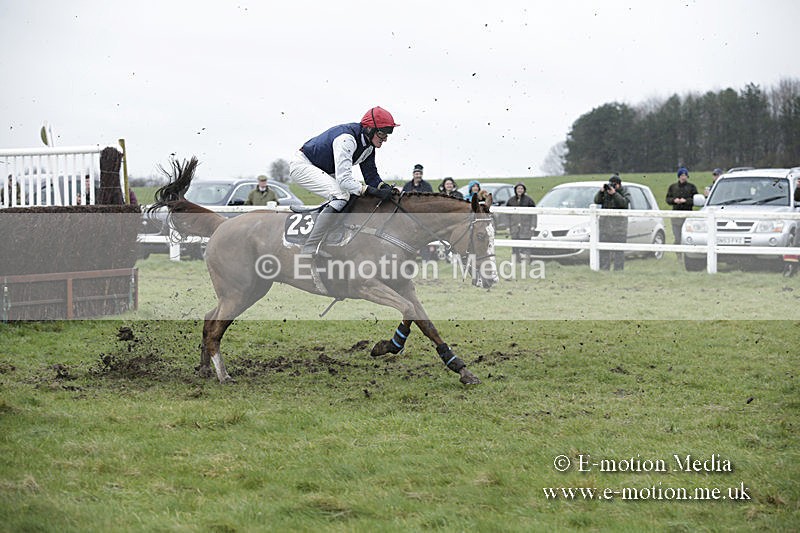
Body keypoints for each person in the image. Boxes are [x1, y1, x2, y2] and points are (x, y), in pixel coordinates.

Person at [290, 106, 397, 256]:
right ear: (369, 129)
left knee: (351, 195)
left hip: (324, 170)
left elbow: (371, 176)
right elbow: (344, 180)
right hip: (303, 166)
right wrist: (372, 191)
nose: (385, 139)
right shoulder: (347, 139)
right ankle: (310, 246)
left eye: (388, 134)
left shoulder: (369, 147)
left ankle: (330, 236)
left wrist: (384, 188)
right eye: (381, 133)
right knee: (342, 195)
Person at [593, 175, 631, 271]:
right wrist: (601, 192)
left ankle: (618, 271)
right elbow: (597, 201)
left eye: (614, 184)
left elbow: (624, 203)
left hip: (619, 228)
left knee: (619, 251)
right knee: (604, 250)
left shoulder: (624, 192)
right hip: (605, 226)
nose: (612, 186)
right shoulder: (606, 193)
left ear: (619, 184)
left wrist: (614, 194)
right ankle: (604, 269)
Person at [666, 167, 698, 255]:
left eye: (685, 175)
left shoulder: (692, 187)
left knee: (688, 237)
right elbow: (667, 199)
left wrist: (686, 201)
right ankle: (679, 256)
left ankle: (689, 255)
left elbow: (696, 200)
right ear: (679, 176)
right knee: (677, 238)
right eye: (682, 175)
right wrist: (674, 201)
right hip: (676, 217)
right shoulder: (672, 187)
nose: (683, 177)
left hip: (688, 217)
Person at [506, 183, 537, 261]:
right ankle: (516, 260)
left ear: (524, 190)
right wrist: (507, 226)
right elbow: (507, 214)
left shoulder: (529, 200)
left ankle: (527, 259)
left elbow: (534, 213)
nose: (520, 190)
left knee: (526, 244)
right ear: (515, 190)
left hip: (526, 226)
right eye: (518, 189)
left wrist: (533, 225)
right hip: (514, 226)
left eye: (521, 189)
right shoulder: (511, 201)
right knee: (514, 244)